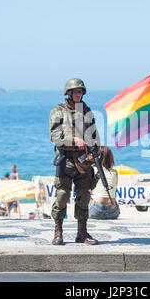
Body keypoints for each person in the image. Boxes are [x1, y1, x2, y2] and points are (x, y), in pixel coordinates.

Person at [48, 78, 100, 245]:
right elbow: (55, 137)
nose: (79, 95)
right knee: (62, 195)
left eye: (81, 92)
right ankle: (58, 233)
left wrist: (95, 153)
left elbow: (94, 136)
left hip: (84, 161)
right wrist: (73, 140)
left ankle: (82, 234)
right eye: (76, 92)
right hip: (66, 160)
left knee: (84, 196)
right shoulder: (58, 111)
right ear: (68, 93)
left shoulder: (87, 111)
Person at [88, 146, 120, 220]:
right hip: (113, 211)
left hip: (96, 210)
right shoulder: (114, 172)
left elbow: (87, 190)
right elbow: (114, 188)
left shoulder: (92, 169)